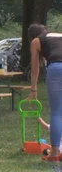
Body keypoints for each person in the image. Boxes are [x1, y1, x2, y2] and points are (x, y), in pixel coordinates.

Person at [27, 23, 62, 161]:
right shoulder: (58, 36)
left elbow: (35, 69)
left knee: (57, 112)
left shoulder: (36, 41)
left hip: (56, 69)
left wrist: (33, 89)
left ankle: (54, 153)